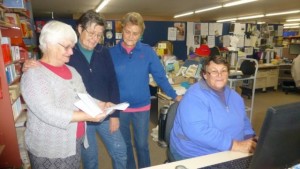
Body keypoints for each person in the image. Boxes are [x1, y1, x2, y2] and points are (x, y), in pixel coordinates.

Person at [22, 10, 127, 169]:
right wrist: (87, 115)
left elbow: (85, 94)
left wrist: (106, 106)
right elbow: (47, 109)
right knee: (90, 160)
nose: (95, 39)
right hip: (57, 141)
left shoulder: (83, 63)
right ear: (80, 29)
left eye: (99, 35)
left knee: (118, 151)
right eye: (91, 33)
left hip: (83, 129)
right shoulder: (41, 69)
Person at [109, 12, 182, 169]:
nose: (130, 36)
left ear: (141, 33)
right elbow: (106, 80)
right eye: (127, 32)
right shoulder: (111, 53)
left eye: (135, 33)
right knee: (125, 145)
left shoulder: (148, 52)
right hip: (120, 108)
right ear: (122, 30)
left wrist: (174, 95)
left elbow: (160, 77)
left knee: (141, 145)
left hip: (141, 107)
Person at [170, 55, 257, 161]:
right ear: (205, 75)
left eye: (223, 71)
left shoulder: (235, 97)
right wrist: (235, 145)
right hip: (199, 154)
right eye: (214, 71)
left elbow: (244, 121)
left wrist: (251, 139)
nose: (219, 75)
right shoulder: (193, 97)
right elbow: (197, 131)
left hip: (232, 152)